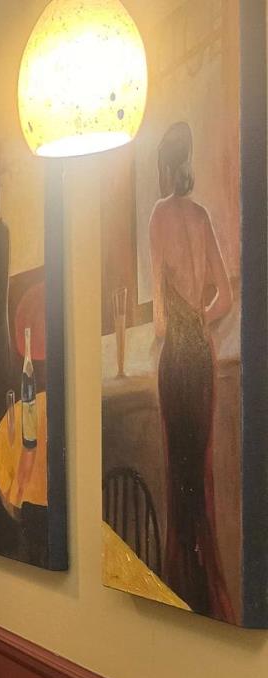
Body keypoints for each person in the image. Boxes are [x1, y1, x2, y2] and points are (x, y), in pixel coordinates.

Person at [148, 121, 234, 622]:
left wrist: (174, 323)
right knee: (199, 475)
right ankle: (209, 590)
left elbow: (160, 318)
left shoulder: (159, 215)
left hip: (177, 358)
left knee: (176, 476)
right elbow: (226, 298)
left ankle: (180, 585)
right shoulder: (201, 217)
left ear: (165, 165)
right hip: (202, 355)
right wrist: (201, 316)